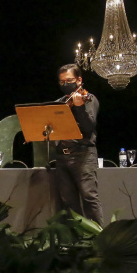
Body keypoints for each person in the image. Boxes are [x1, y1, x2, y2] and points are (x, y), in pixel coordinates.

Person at [52, 63, 104, 226]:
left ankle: (98, 236)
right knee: (68, 201)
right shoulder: (60, 102)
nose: (65, 85)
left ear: (79, 80)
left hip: (83, 155)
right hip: (62, 157)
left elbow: (89, 128)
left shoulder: (89, 99)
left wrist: (80, 108)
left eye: (69, 80)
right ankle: (77, 238)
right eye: (62, 82)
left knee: (89, 198)